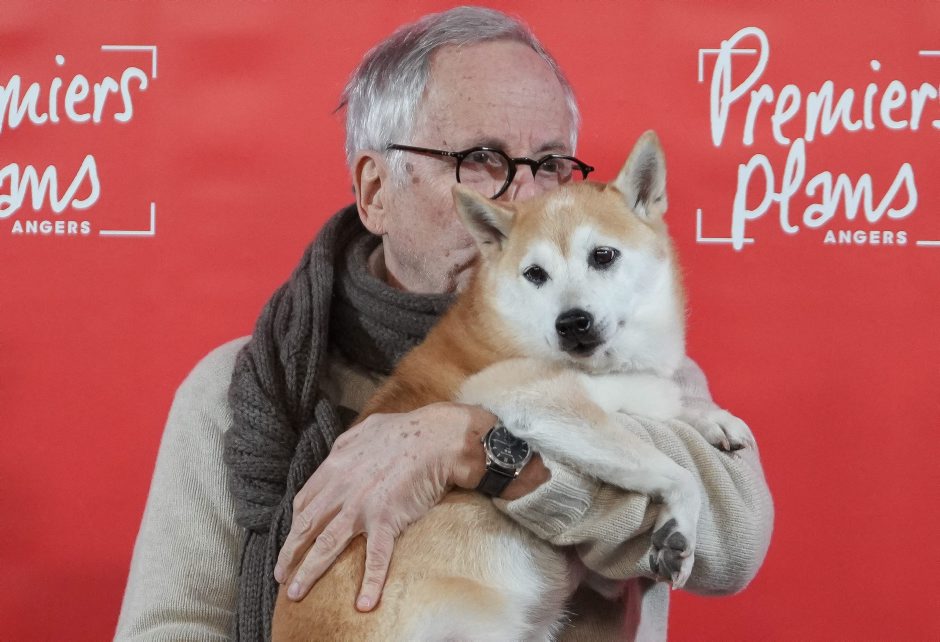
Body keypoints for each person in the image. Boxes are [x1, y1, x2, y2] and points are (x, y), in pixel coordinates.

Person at [116, 7, 774, 641]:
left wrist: (476, 445)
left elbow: (732, 540)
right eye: (481, 158)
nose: (526, 198)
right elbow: (174, 627)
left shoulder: (617, 351)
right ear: (375, 191)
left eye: (550, 164)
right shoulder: (240, 390)